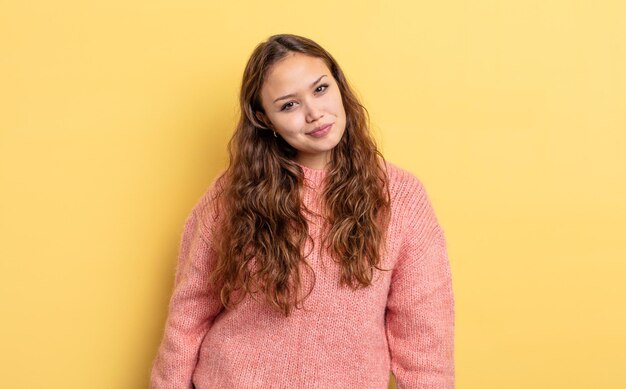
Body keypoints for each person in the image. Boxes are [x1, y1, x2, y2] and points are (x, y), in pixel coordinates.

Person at [150, 33, 454, 389]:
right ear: (265, 119)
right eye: (289, 105)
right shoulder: (232, 194)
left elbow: (425, 333)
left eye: (320, 89)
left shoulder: (401, 197)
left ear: (339, 86)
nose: (314, 113)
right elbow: (189, 313)